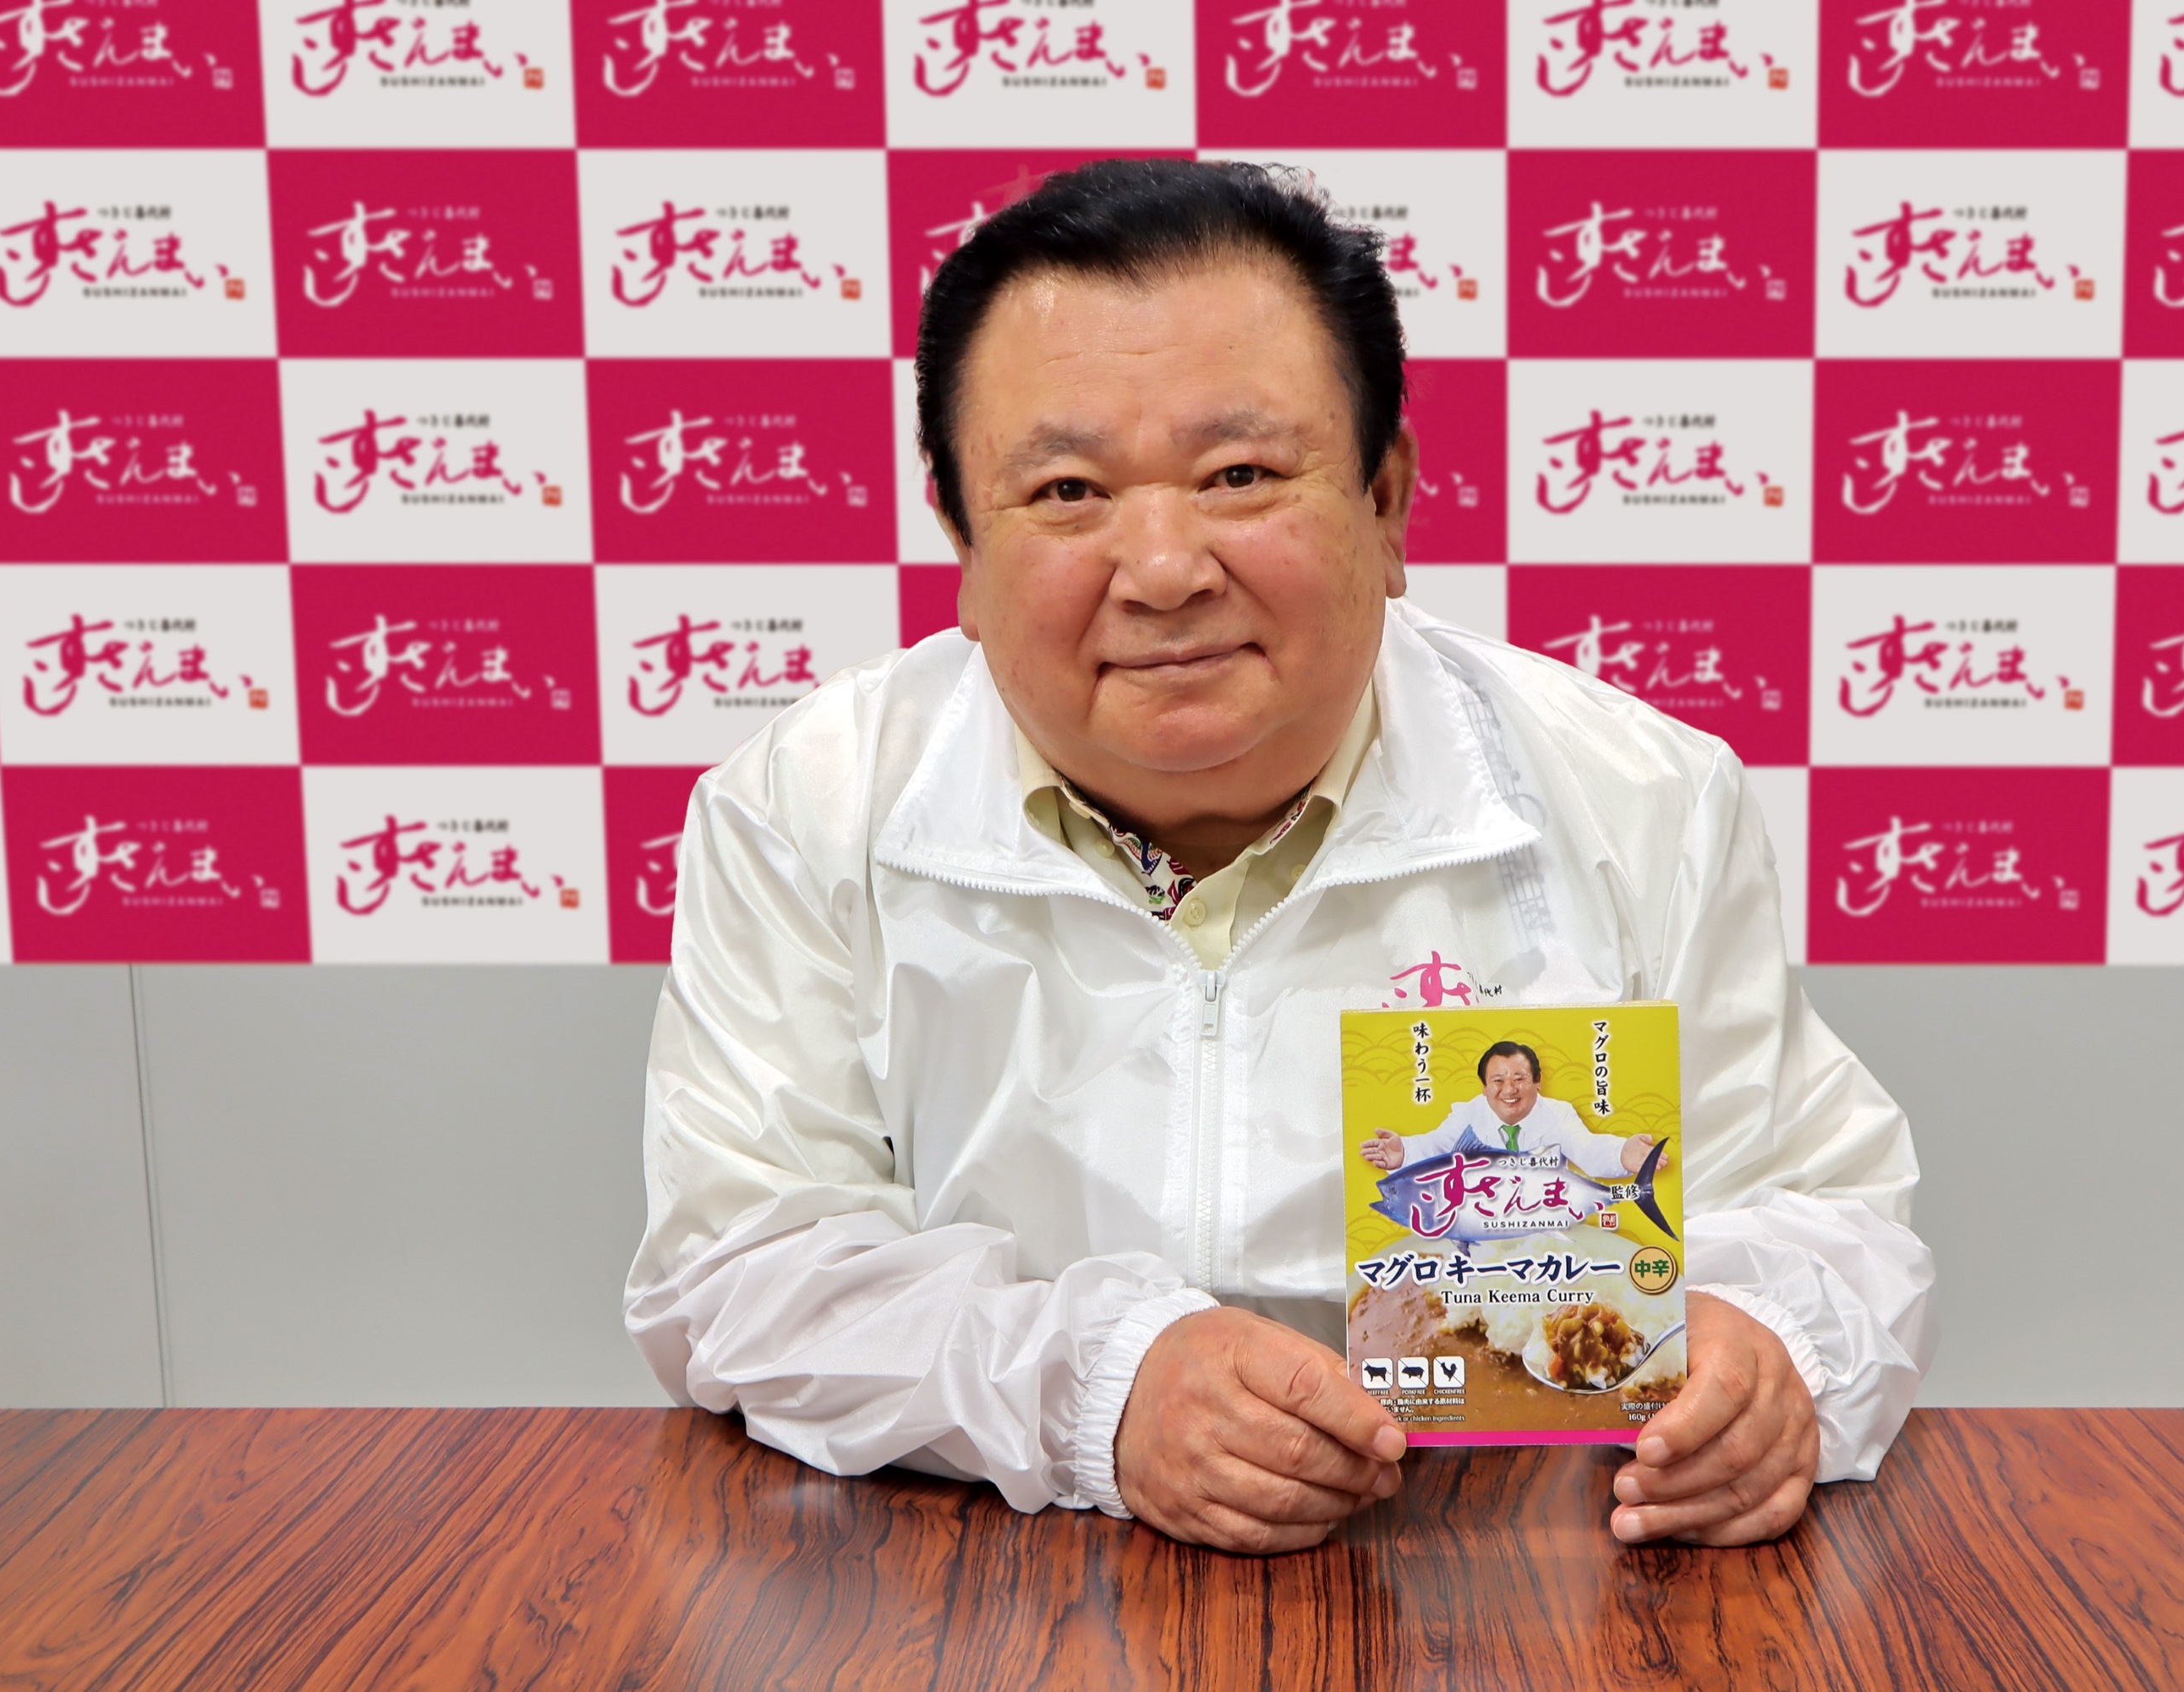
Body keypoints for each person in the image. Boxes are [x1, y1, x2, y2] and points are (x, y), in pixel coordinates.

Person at [624, 158, 1935, 1557]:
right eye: (1067, 490)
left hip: (1518, 1576)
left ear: (1387, 498)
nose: (1164, 568)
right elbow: (745, 1265)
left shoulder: (1636, 794)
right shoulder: (808, 804)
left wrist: (1767, 1348)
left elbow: (1820, 1205)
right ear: (960, 535)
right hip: (994, 1581)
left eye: (1238, 475)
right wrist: (1102, 1390)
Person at [1360, 1040, 1652, 1176]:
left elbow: (1585, 1148)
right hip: (1483, 1223)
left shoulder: (1558, 1114)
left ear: (1537, 1082)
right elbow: (1436, 1146)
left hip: (1544, 1225)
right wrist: (1404, 1153)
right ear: (1485, 1087)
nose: (1509, 1090)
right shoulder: (1468, 1114)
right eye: (1498, 1081)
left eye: (1520, 1079)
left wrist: (1620, 1153)